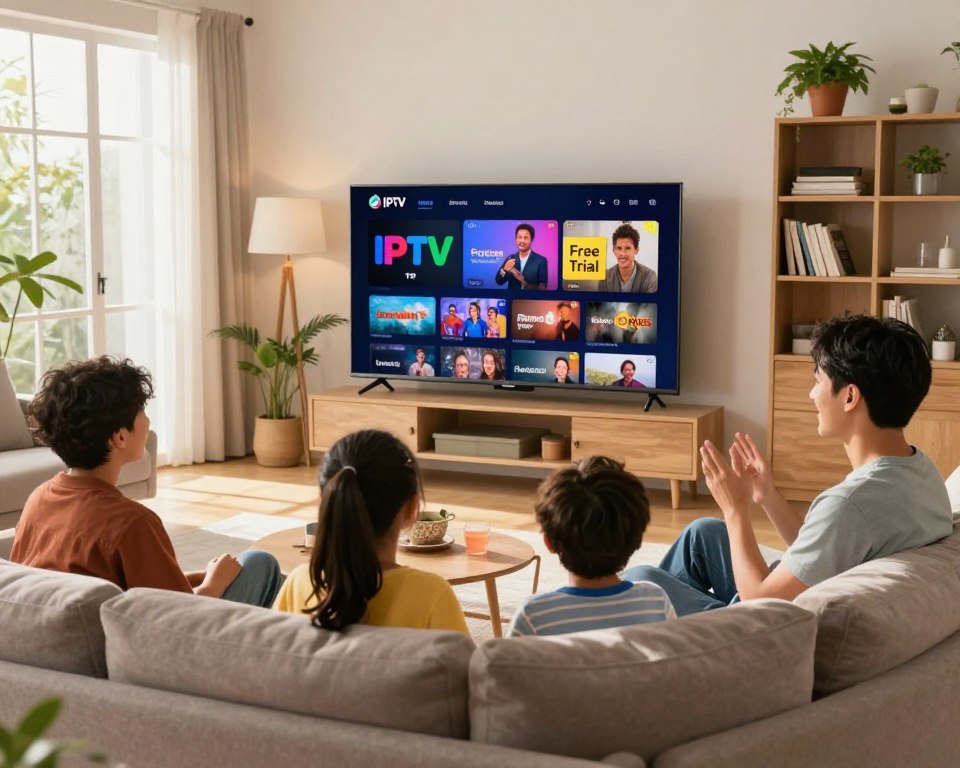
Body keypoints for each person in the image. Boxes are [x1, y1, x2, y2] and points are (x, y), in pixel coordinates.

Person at [623, 315, 954, 616]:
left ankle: (629, 627)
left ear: (850, 397)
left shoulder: (850, 503)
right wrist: (767, 495)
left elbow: (759, 602)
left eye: (818, 381)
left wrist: (735, 509)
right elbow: (826, 549)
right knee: (702, 534)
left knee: (640, 582)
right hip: (794, 601)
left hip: (761, 632)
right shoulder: (919, 470)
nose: (811, 395)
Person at [11, 356, 282, 607]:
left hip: (73, 637)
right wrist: (214, 583)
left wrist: (188, 578)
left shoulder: (38, 499)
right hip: (148, 651)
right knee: (260, 563)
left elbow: (114, 586)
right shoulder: (132, 523)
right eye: (141, 412)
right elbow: (175, 616)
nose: (148, 420)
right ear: (119, 437)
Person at [273, 429, 469, 634]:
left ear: (329, 503)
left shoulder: (300, 583)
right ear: (412, 509)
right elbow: (466, 665)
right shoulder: (431, 595)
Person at [508, 456, 675, 636]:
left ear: (548, 542)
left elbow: (499, 664)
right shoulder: (656, 602)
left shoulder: (533, 616)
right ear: (638, 538)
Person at [600, 223, 658, 293]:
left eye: (627, 248)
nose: (623, 253)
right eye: (619, 248)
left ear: (636, 250)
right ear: (614, 251)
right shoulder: (605, 277)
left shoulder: (649, 276)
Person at [495, 223, 548, 290]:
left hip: (531, 299)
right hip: (512, 298)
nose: (522, 241)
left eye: (525, 238)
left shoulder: (541, 260)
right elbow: (498, 281)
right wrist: (504, 269)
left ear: (531, 240)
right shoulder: (510, 258)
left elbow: (542, 289)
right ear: (515, 239)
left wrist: (523, 282)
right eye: (519, 237)